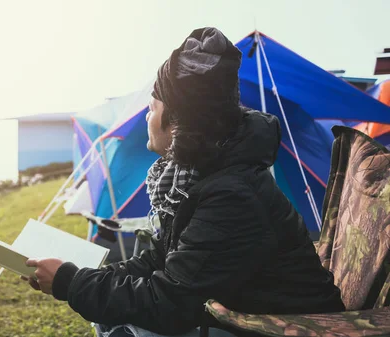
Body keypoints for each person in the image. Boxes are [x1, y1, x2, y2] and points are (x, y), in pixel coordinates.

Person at [23, 27, 345, 337]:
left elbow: (168, 303)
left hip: (289, 327)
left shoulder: (231, 194)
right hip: (249, 310)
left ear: (176, 122)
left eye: (151, 108)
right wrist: (85, 274)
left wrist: (70, 282)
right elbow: (162, 260)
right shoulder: (201, 174)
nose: (147, 119)